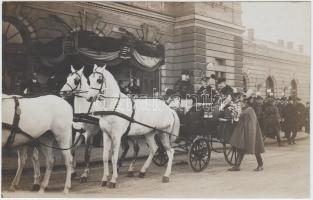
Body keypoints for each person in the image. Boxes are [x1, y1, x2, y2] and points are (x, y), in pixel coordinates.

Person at [228, 91, 265, 172]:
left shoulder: (250, 110)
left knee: (256, 149)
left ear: (246, 103)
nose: (240, 104)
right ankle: (237, 166)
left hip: (251, 133)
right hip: (244, 132)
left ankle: (260, 165)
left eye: (242, 102)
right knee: (241, 149)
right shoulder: (245, 110)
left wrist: (250, 134)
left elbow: (252, 124)